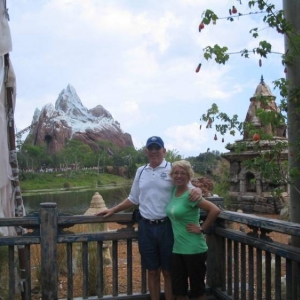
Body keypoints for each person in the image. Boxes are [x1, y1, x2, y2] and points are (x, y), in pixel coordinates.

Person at [97, 136, 202, 300]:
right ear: (146, 151)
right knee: (152, 271)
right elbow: (133, 198)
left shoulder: (171, 169)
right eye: (150, 148)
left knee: (168, 271)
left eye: (157, 148)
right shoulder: (141, 171)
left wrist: (199, 190)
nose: (154, 152)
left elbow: (189, 187)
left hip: (167, 227)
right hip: (145, 227)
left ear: (163, 151)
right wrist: (113, 209)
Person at [166, 160, 221, 300]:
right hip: (177, 249)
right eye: (176, 173)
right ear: (172, 175)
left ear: (188, 176)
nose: (179, 176)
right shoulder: (173, 191)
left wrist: (202, 228)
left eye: (182, 173)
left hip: (194, 249)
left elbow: (214, 210)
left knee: (197, 291)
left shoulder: (192, 195)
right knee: (179, 291)